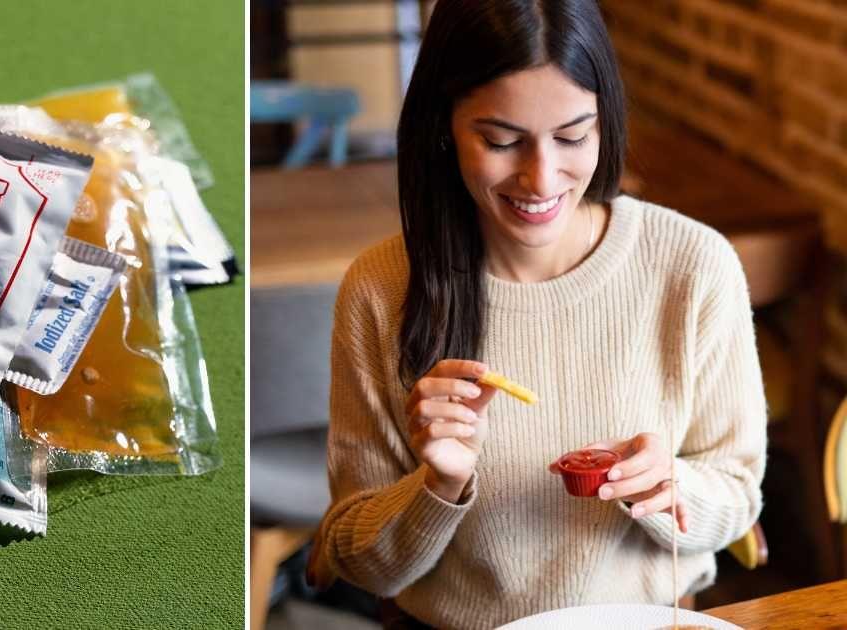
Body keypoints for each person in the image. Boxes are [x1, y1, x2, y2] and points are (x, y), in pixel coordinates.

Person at [312, 1, 767, 628]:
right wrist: (436, 487)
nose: (541, 178)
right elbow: (359, 562)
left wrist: (673, 488)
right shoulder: (381, 289)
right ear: (444, 127)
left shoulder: (692, 266)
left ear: (605, 123)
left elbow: (739, 494)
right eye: (501, 141)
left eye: (574, 136)